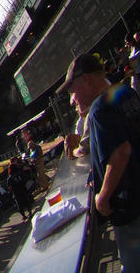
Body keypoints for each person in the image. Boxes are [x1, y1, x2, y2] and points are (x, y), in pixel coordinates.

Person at [61, 52, 140, 271]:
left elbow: (120, 152)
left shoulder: (98, 110)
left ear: (85, 79)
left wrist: (102, 197)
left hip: (130, 205)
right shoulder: (125, 91)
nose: (74, 99)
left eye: (72, 90)